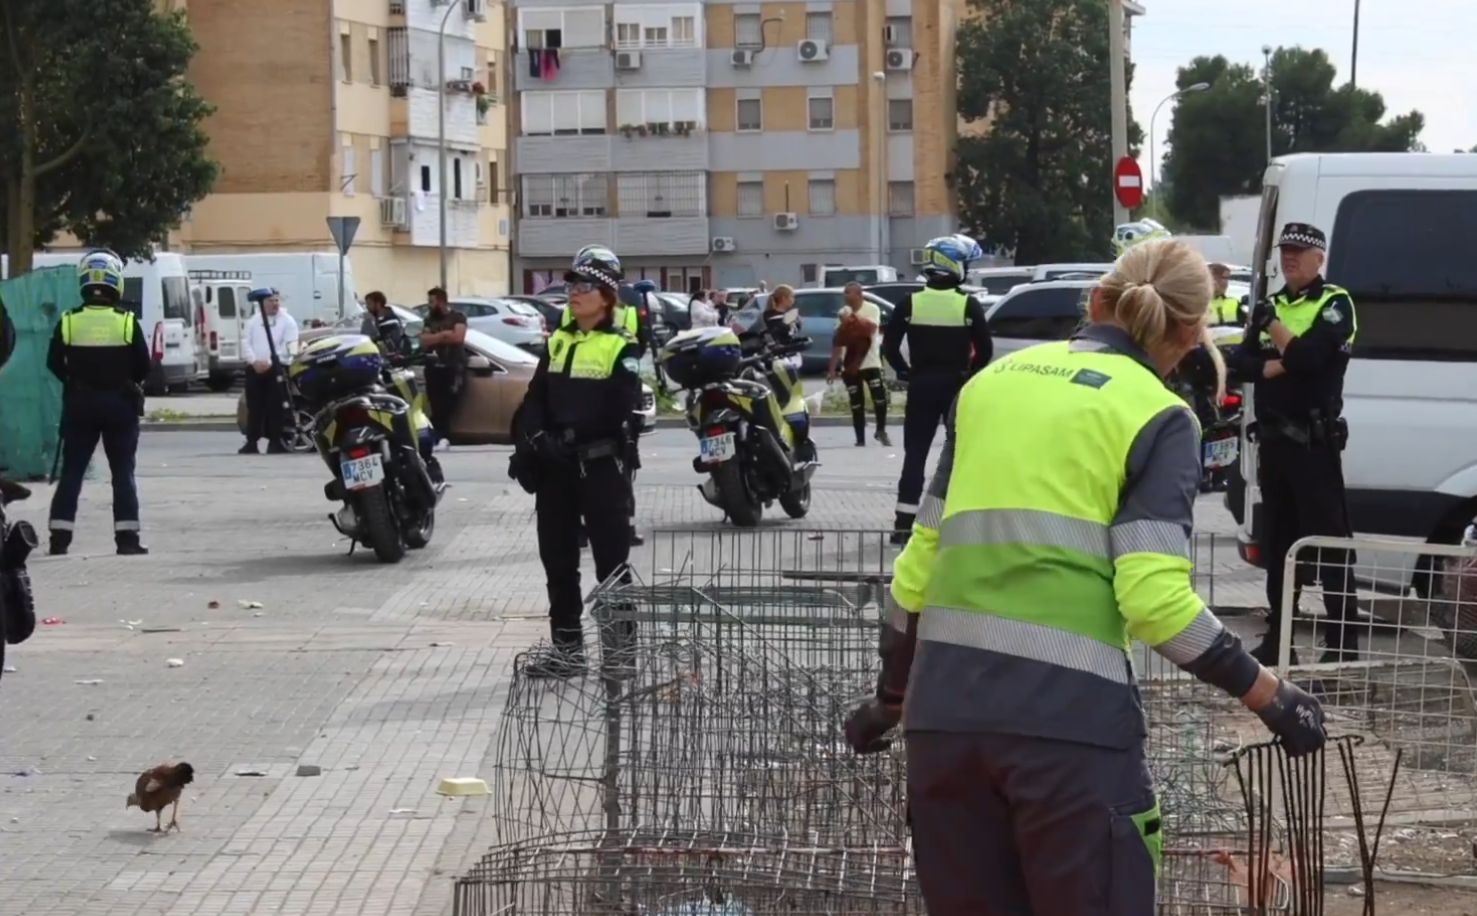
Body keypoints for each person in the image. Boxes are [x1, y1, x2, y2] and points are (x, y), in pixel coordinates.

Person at [843, 239, 1327, 916]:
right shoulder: (1159, 417)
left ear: (1096, 301)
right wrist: (1272, 697)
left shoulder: (987, 387)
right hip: (1067, 737)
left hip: (942, 726)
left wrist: (891, 700)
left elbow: (917, 570)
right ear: (1190, 333)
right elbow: (1154, 602)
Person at [1229, 222, 1361, 666]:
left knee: (1328, 548)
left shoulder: (1335, 302)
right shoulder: (1274, 305)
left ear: (1318, 259)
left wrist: (1276, 332)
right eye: (1285, 250)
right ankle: (1280, 640)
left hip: (1314, 446)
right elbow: (1240, 364)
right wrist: (1277, 363)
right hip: (1274, 446)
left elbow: (1311, 359)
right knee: (1280, 548)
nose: (1289, 258)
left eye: (1299, 252)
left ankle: (1341, 646)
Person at [518, 245, 642, 678]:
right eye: (572, 284)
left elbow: (616, 408)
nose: (574, 292)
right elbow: (534, 399)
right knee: (558, 563)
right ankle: (567, 653)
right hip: (557, 473)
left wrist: (569, 437)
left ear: (606, 296)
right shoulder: (558, 341)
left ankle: (621, 657)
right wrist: (534, 440)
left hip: (600, 469)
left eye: (585, 286)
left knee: (611, 567)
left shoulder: (622, 347)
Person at [881, 234, 993, 544]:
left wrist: (906, 371)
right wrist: (968, 374)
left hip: (921, 385)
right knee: (960, 453)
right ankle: (957, 523)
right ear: (953, 264)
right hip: (956, 388)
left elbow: (889, 347)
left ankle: (903, 525)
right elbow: (985, 350)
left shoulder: (910, 303)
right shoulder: (967, 304)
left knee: (915, 455)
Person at [46, 251, 153, 556]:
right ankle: (127, 540)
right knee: (122, 472)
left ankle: (59, 539)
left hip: (81, 403)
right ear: (115, 282)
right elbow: (144, 365)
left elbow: (53, 362)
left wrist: (74, 382)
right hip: (120, 404)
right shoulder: (127, 322)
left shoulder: (68, 321)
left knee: (73, 472)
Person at [827, 282, 890, 447]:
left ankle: (881, 430)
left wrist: (850, 320)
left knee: (880, 398)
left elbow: (868, 330)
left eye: (848, 293)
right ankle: (860, 438)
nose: (845, 296)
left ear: (858, 294)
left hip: (871, 361)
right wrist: (832, 368)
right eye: (844, 293)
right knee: (856, 402)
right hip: (851, 364)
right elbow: (838, 342)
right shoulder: (843, 313)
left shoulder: (872, 309)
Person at [240, 288, 299, 455]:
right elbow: (246, 342)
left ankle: (276, 442)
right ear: (262, 304)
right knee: (255, 407)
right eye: (270, 301)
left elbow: (288, 345)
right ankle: (252, 442)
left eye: (276, 300)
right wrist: (254, 361)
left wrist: (271, 362)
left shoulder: (288, 322)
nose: (274, 304)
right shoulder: (254, 321)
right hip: (255, 369)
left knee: (276, 407)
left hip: (277, 368)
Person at [419, 287, 468, 449]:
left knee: (447, 403)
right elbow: (424, 340)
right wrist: (443, 335)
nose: (429, 305)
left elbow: (458, 338)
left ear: (441, 301)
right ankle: (439, 436)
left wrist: (439, 337)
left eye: (432, 302)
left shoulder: (457, 317)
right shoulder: (429, 319)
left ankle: (443, 436)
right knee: (435, 402)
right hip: (433, 366)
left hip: (452, 366)